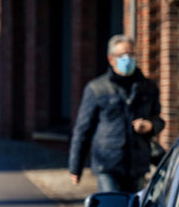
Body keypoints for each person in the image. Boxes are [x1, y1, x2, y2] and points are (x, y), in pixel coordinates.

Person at [69, 34, 164, 192]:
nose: (127, 59)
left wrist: (150, 125)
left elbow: (159, 120)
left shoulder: (147, 87)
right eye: (122, 55)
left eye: (131, 54)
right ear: (111, 59)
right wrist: (75, 167)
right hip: (108, 163)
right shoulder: (97, 88)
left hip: (138, 163)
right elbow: (83, 130)